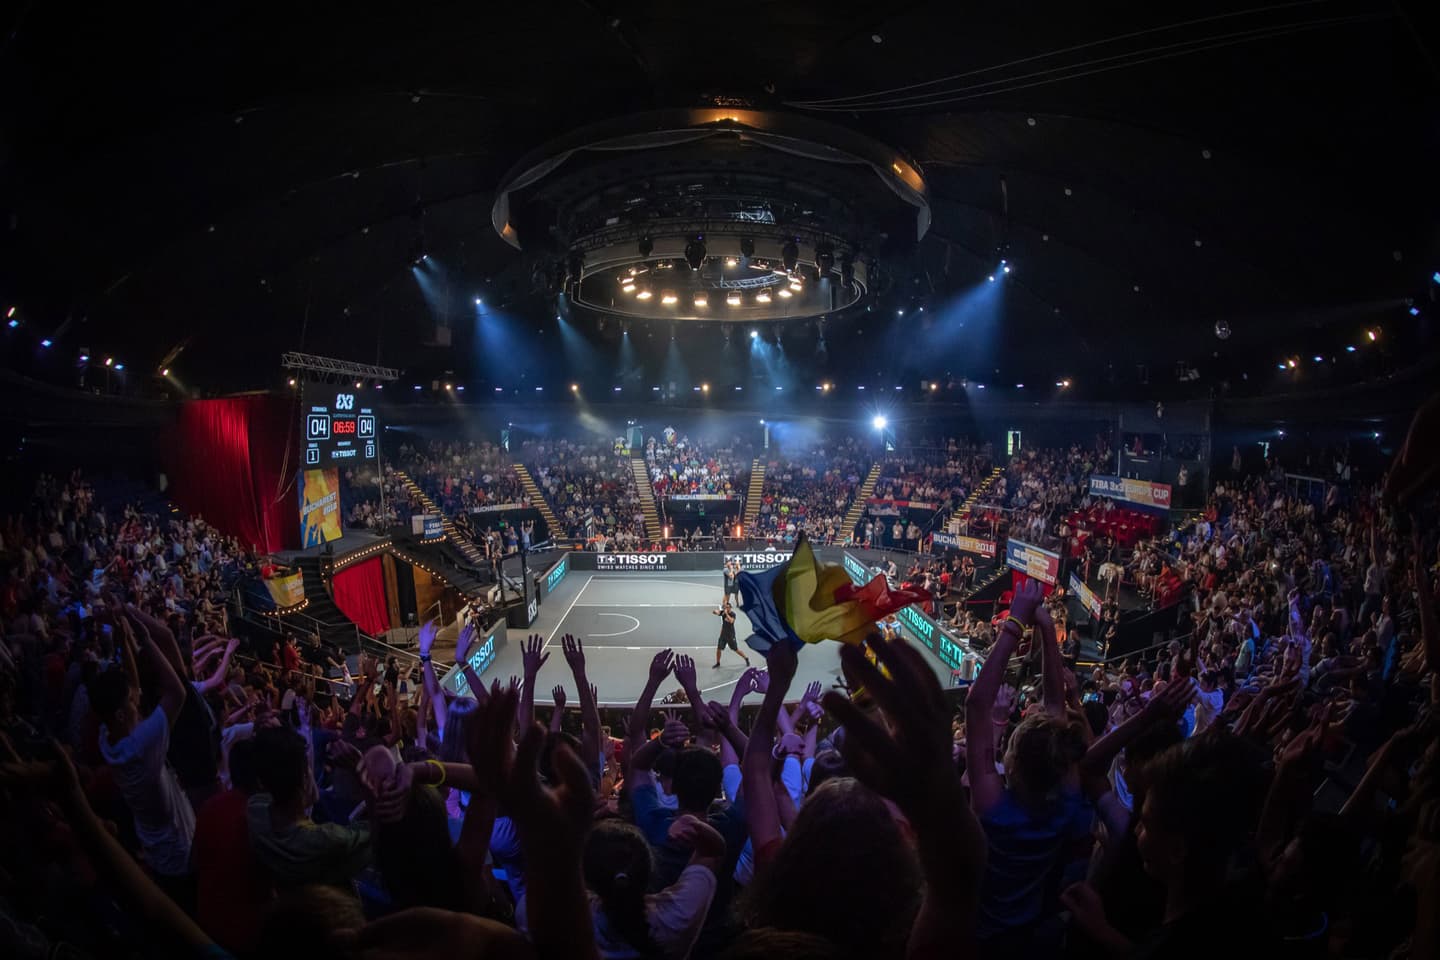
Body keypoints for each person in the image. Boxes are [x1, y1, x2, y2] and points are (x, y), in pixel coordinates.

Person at [710, 600, 750, 669]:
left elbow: (731, 621)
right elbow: (714, 612)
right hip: (723, 635)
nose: (727, 608)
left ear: (730, 608)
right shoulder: (723, 612)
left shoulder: (733, 614)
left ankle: (746, 658)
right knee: (719, 649)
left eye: (728, 607)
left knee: (736, 649)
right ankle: (718, 663)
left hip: (731, 635)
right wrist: (717, 611)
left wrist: (726, 614)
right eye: (726, 607)